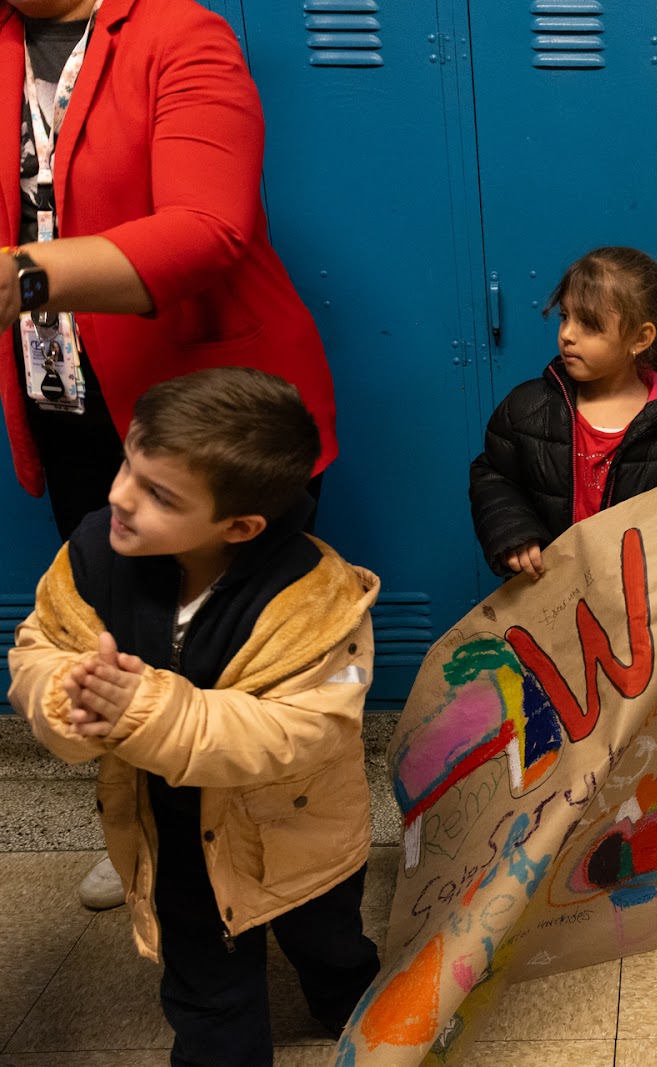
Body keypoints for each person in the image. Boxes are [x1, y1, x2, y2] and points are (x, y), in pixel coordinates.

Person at [0, 0, 340, 911]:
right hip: (70, 406)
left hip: (205, 419)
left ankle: (299, 855)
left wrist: (25, 276)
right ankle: (150, 824)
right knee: (117, 629)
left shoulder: (176, 32)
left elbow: (208, 223)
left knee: (247, 646)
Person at [7, 367, 379, 1064]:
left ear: (239, 525)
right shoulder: (93, 552)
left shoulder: (317, 598)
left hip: (299, 831)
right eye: (128, 463)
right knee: (207, 995)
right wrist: (68, 699)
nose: (119, 496)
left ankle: (354, 1005)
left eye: (158, 493)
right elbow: (40, 645)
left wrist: (144, 707)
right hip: (172, 832)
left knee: (329, 946)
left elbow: (302, 730)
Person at [470, 246, 657, 579]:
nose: (567, 334)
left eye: (590, 325)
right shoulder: (528, 408)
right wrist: (513, 531)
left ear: (640, 338)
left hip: (637, 601)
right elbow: (492, 475)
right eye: (566, 316)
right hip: (549, 597)